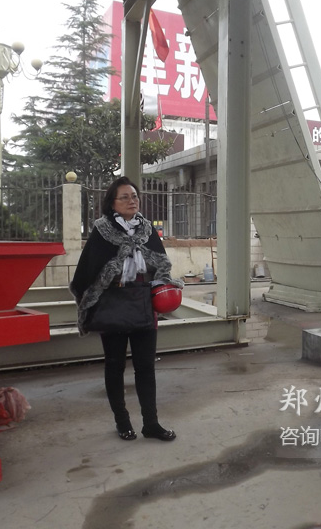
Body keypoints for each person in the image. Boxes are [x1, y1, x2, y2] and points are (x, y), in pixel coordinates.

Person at [70, 176, 182, 442]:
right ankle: (122, 422)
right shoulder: (102, 231)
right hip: (113, 303)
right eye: (125, 197)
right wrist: (90, 297)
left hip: (143, 302)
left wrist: (162, 283)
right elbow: (87, 270)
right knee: (114, 365)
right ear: (112, 203)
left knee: (145, 367)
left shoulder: (147, 230)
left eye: (134, 196)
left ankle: (151, 424)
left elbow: (161, 264)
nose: (132, 201)